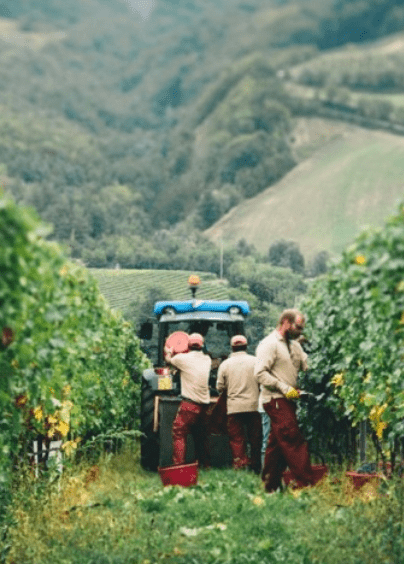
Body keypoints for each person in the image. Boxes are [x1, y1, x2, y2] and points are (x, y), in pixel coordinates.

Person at [255, 309, 314, 493]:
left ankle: (269, 486)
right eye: (298, 327)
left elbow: (307, 365)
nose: (300, 331)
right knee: (293, 439)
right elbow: (259, 374)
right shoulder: (269, 344)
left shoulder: (295, 345)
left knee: (276, 445)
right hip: (275, 399)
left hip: (288, 400)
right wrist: (283, 387)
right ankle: (307, 486)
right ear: (286, 323)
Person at [164, 333, 212, 467]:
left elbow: (168, 360)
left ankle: (179, 465)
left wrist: (169, 352)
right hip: (205, 406)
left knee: (179, 432)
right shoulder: (207, 359)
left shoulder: (181, 359)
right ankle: (204, 464)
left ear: (188, 345)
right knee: (202, 435)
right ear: (202, 345)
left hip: (190, 404)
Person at [216, 335, 262, 474]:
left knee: (237, 439)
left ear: (232, 347)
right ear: (246, 346)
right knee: (255, 438)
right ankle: (255, 466)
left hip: (234, 408)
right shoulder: (256, 361)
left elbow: (220, 387)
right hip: (254, 407)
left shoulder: (225, 364)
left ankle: (240, 465)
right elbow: (262, 382)